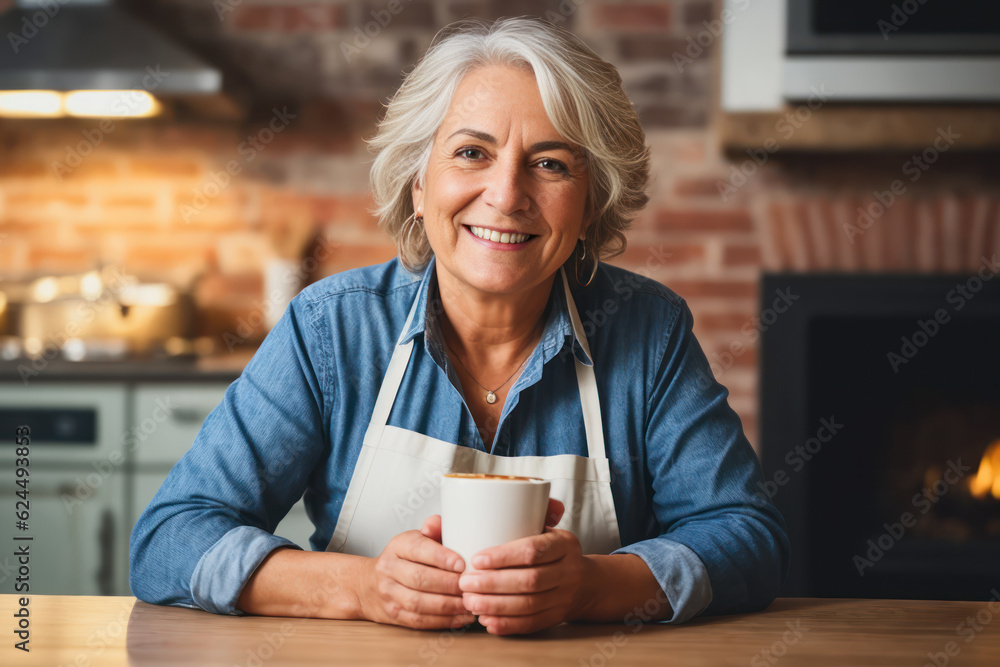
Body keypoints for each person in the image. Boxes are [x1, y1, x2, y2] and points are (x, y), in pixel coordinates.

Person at [129, 16, 789, 636]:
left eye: (551, 162)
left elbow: (749, 538)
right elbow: (169, 539)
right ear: (419, 184)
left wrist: (592, 585)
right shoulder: (331, 328)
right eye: (472, 152)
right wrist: (360, 589)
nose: (506, 194)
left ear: (591, 203)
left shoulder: (648, 330)